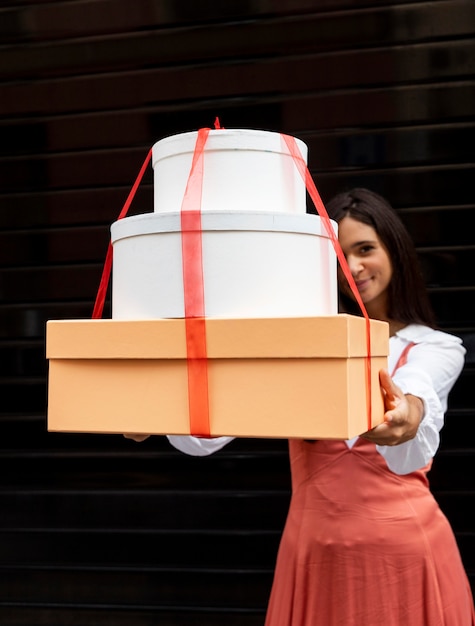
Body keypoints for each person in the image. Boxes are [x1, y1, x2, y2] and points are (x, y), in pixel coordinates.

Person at [126, 188, 474, 625]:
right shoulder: (300, 347)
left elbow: (414, 404)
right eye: (337, 254)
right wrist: (157, 412)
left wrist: (405, 415)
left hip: (405, 557)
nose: (352, 267)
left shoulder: (435, 347)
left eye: (365, 249)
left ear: (396, 250)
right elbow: (209, 432)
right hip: (313, 561)